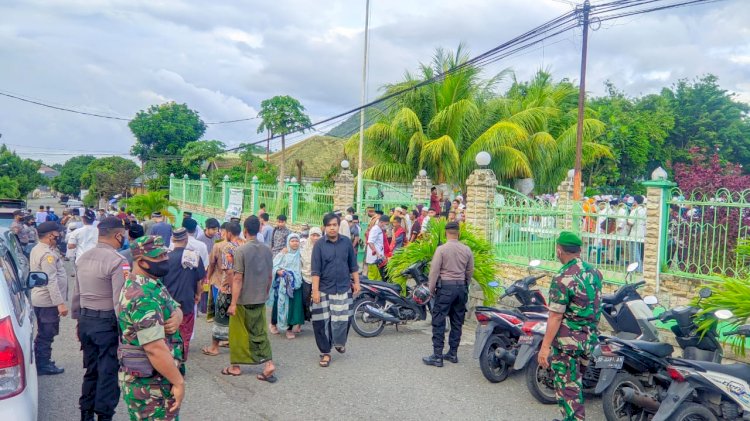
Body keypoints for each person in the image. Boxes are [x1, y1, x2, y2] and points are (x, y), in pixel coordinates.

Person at [118, 236, 185, 420]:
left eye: (165, 254)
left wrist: (177, 317)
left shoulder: (152, 283)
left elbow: (175, 306)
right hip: (150, 386)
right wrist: (178, 383)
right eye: (159, 257)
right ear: (142, 262)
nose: (165, 259)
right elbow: (154, 348)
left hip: (157, 380)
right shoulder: (143, 296)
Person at [537, 232, 603, 421]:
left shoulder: (563, 278)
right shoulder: (594, 272)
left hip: (568, 344)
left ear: (559, 250)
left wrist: (544, 347)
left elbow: (556, 316)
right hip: (588, 340)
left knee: (568, 389)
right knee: (575, 384)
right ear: (579, 250)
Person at [71, 217, 131, 421]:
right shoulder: (118, 261)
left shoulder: (83, 258)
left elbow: (77, 294)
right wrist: (126, 330)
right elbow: (119, 300)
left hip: (86, 320)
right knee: (108, 373)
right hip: (107, 324)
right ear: (118, 235)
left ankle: (85, 413)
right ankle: (104, 415)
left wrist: (78, 321)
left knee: (91, 369)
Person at [224, 216, 276, 382]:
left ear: (245, 231)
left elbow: (238, 278)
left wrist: (233, 303)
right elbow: (270, 276)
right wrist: (266, 293)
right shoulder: (267, 250)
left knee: (237, 333)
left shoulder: (241, 251)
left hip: (243, 299)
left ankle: (235, 367)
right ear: (260, 229)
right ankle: (268, 363)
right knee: (259, 331)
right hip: (260, 297)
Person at [311, 213, 359, 368]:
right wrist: (315, 291)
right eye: (329, 225)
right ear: (324, 227)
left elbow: (353, 265)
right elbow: (315, 270)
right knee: (321, 323)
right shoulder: (319, 245)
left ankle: (339, 343)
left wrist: (356, 283)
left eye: (335, 225)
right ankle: (325, 352)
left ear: (339, 226)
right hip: (324, 288)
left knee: (343, 319)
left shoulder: (346, 243)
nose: (332, 228)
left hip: (343, 288)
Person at [423, 221, 474, 367]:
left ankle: (437, 356)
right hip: (461, 288)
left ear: (446, 233)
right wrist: (465, 285)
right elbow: (470, 271)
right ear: (458, 233)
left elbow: (434, 272)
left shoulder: (442, 249)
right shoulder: (467, 250)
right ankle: (453, 353)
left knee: (439, 321)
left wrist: (430, 290)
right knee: (457, 322)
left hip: (445, 288)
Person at [30, 221, 68, 375]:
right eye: (57, 233)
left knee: (44, 332)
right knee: (47, 333)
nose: (59, 236)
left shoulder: (38, 248)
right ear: (50, 235)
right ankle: (43, 364)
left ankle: (41, 361)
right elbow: (50, 281)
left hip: (41, 299)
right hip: (47, 301)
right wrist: (60, 304)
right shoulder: (47, 255)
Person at [162, 228, 206, 362]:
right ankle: (180, 362)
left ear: (173, 240)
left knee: (167, 334)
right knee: (185, 334)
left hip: (168, 303)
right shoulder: (193, 256)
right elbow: (199, 280)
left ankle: (167, 363)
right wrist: (198, 294)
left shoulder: (165, 257)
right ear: (186, 240)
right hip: (187, 301)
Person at [202, 222, 242, 356]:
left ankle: (215, 347)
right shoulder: (244, 245)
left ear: (228, 232)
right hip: (241, 288)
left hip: (223, 285)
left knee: (220, 316)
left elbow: (215, 266)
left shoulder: (223, 247)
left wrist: (207, 278)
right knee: (235, 316)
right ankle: (231, 340)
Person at [268, 233, 304, 339]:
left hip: (296, 285)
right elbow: (273, 266)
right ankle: (273, 323)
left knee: (293, 308)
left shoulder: (301, 254)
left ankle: (289, 329)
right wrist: (279, 272)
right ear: (288, 242)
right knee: (279, 306)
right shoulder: (283, 254)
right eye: (292, 241)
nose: (295, 243)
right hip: (283, 286)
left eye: (296, 241)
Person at [300, 226, 321, 322]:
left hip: (319, 277)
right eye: (313, 235)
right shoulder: (304, 246)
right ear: (309, 236)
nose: (315, 238)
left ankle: (318, 317)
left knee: (318, 298)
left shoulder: (323, 247)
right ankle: (306, 316)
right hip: (306, 276)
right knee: (305, 298)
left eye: (318, 235)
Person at [365, 215, 389, 280]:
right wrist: (377, 253)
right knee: (373, 277)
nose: (386, 226)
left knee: (378, 278)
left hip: (378, 259)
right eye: (386, 224)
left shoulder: (379, 229)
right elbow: (370, 242)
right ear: (381, 222)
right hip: (374, 259)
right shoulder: (375, 229)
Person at [627, 195, 646, 271]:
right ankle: (639, 267)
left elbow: (630, 222)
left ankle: (638, 268)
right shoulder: (645, 209)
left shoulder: (635, 210)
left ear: (635, 201)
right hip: (643, 232)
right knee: (641, 251)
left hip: (635, 233)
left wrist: (627, 221)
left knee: (635, 252)